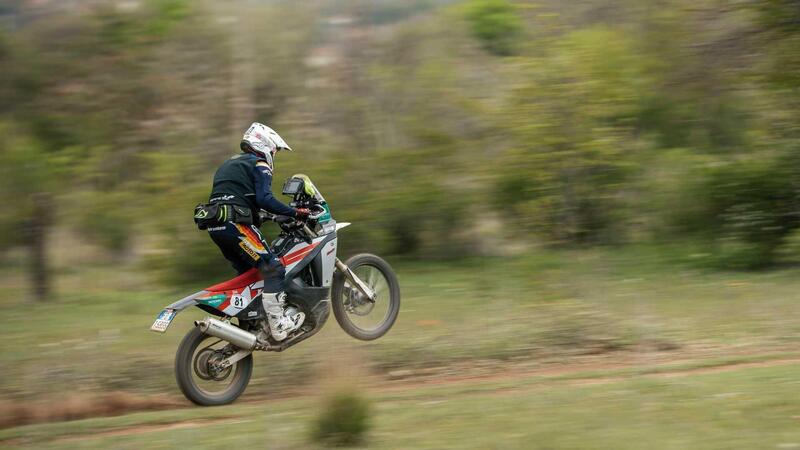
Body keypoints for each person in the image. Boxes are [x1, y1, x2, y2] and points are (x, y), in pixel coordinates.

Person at [204, 122, 309, 340]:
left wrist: (265, 215)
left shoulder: (228, 164)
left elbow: (236, 197)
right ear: (265, 145)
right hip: (236, 225)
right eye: (274, 150)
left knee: (249, 275)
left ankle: (250, 322)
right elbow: (264, 198)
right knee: (273, 268)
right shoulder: (260, 163)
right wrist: (294, 212)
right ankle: (278, 325)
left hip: (216, 226)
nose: (273, 155)